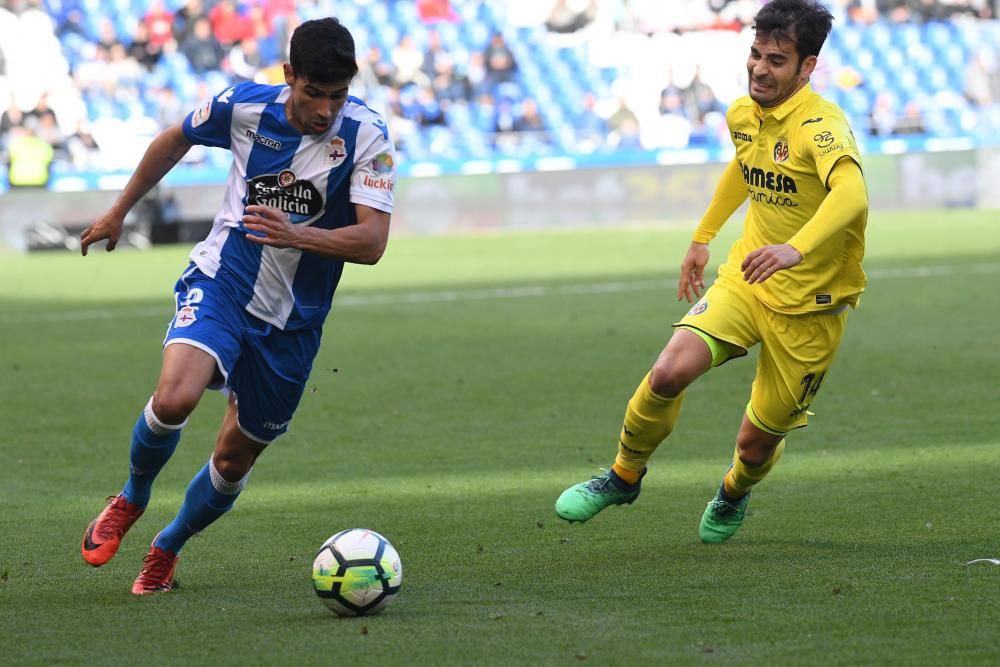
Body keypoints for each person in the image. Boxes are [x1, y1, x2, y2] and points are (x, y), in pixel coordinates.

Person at [79, 17, 396, 594]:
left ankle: (167, 547)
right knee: (175, 396)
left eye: (338, 95)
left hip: (294, 323)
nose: (326, 109)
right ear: (289, 76)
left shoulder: (367, 136)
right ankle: (131, 497)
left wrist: (300, 236)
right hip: (224, 278)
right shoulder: (243, 107)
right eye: (313, 93)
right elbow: (175, 137)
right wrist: (119, 209)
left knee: (232, 462)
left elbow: (373, 242)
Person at [555, 0, 868, 544]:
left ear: (807, 67)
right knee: (667, 373)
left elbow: (852, 193)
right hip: (748, 278)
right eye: (755, 54)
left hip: (811, 308)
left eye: (776, 60)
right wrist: (702, 238)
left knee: (755, 444)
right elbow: (746, 167)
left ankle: (733, 490)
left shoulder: (821, 126)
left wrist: (795, 248)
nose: (759, 69)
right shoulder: (743, 114)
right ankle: (623, 476)